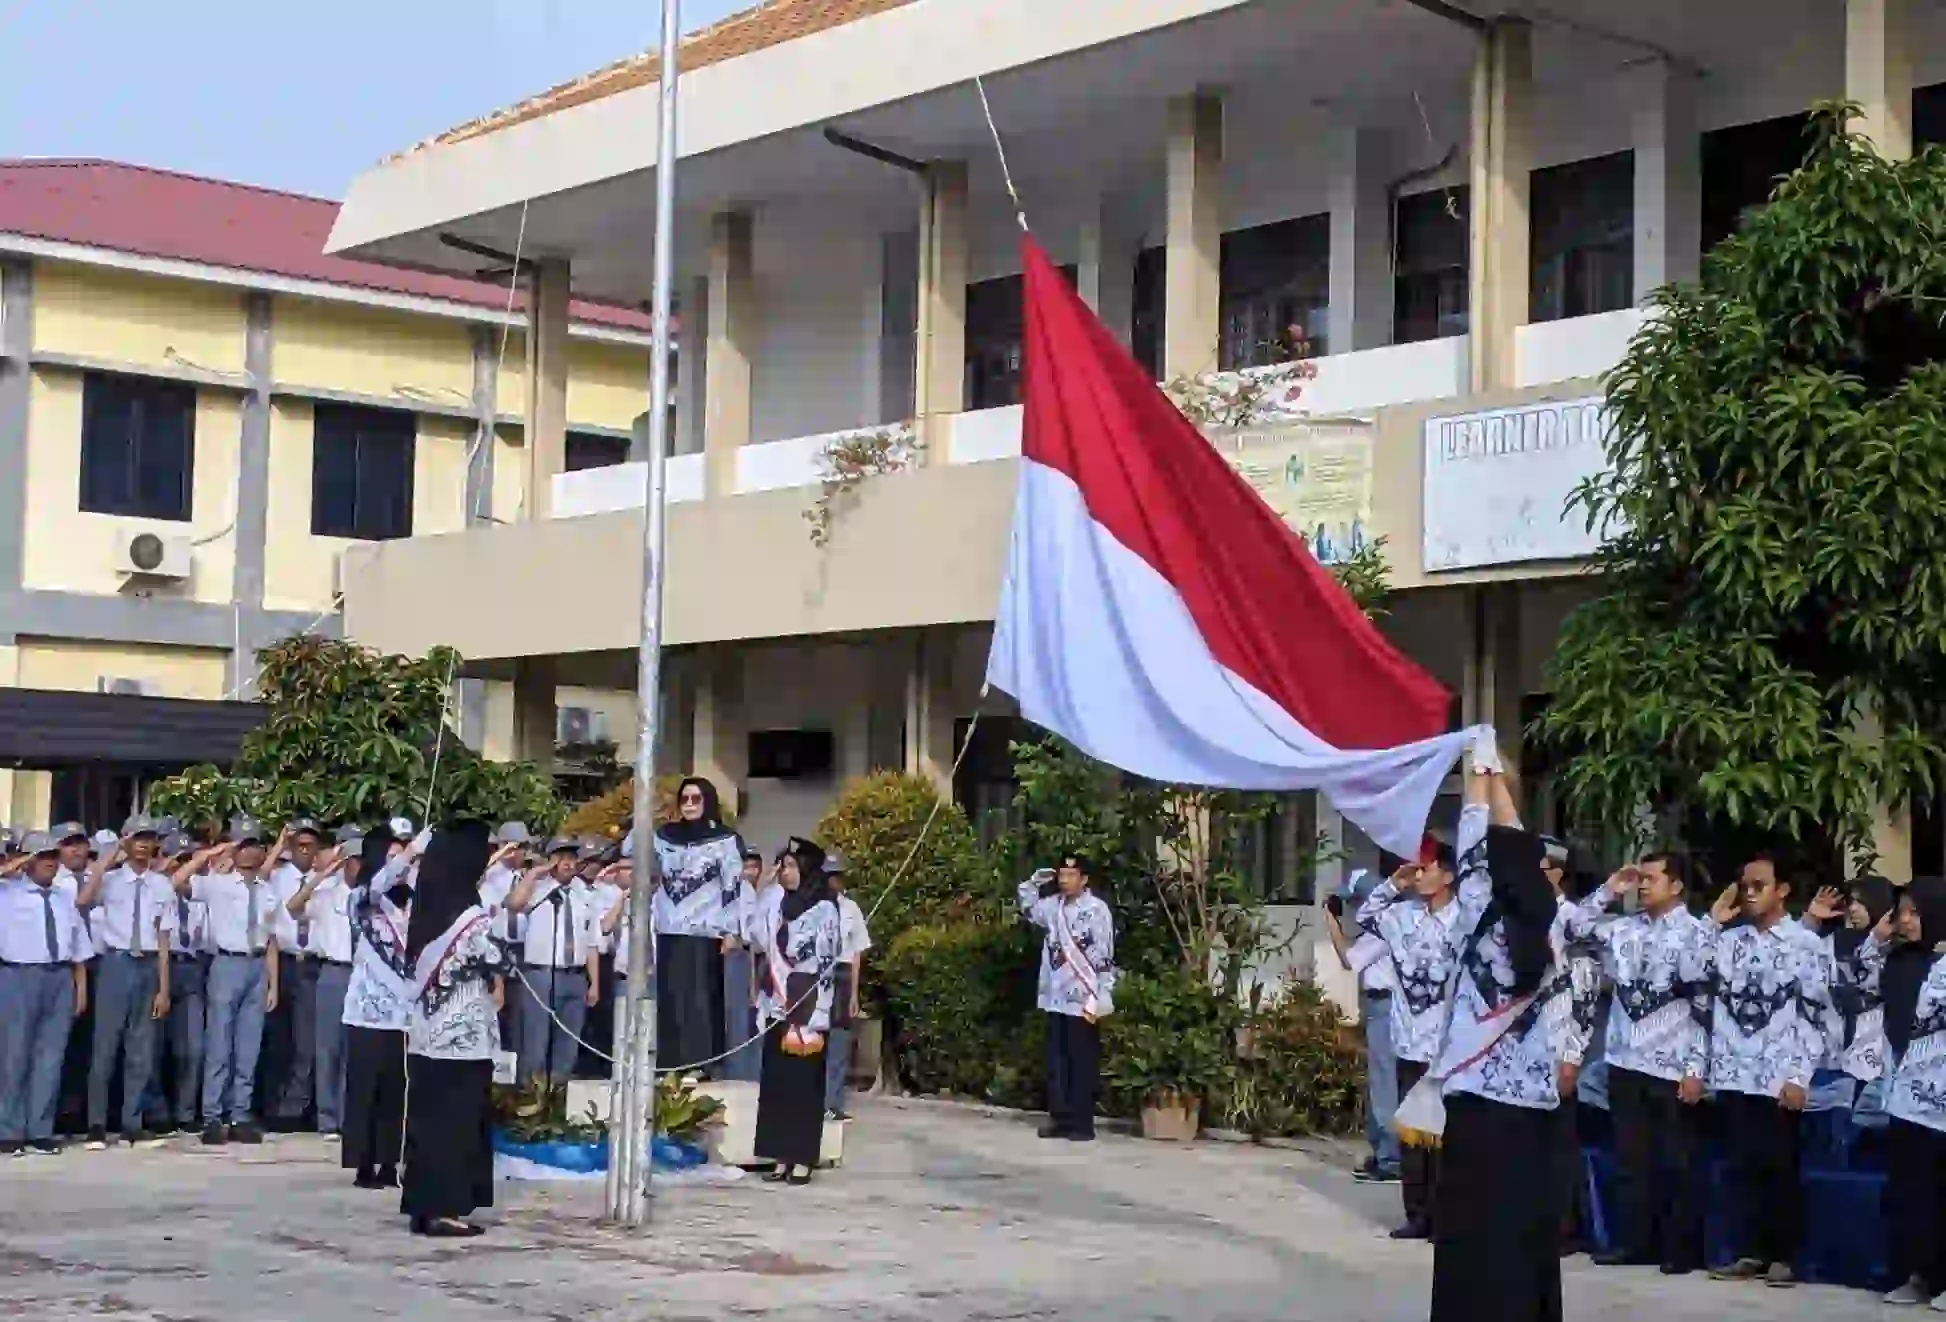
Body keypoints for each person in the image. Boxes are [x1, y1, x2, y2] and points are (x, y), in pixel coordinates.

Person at [1423, 748, 1567, 1322]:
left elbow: (1478, 846)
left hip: (1478, 1100)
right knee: (1523, 1230)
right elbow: (1516, 852)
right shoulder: (1546, 924)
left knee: (1473, 1231)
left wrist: (1478, 782)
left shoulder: (1475, 915)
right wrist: (1499, 782)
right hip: (1532, 1106)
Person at [1561, 851, 1712, 1275]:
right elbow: (1575, 928)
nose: (1643, 885)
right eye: (1640, 879)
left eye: (1651, 878)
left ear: (1677, 885)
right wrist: (1611, 889)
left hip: (1671, 1063)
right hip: (1625, 1060)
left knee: (1675, 1161)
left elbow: (1705, 1008)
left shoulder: (1697, 935)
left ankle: (1680, 1249)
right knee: (1631, 1160)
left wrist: (1696, 1068)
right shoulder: (1623, 930)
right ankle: (1634, 1243)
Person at [1702, 855, 1828, 1287]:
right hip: (1735, 1072)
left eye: (1759, 884)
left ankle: (1784, 1256)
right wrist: (1711, 924)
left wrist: (1800, 1075)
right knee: (1742, 1166)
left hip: (1778, 1074)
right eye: (1744, 884)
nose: (1749, 891)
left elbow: (1816, 1015)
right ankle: (1749, 1251)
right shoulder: (1728, 941)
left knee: (1780, 1168)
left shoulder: (1805, 944)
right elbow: (1686, 976)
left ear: (1783, 890)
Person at [401, 821, 510, 1238]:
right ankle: (446, 1208)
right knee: (457, 1123)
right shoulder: (471, 916)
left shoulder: (427, 909)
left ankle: (423, 1204)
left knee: (428, 1122)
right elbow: (498, 959)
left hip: (428, 1034)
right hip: (463, 1039)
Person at [1354, 836, 1465, 1239]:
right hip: (1408, 1040)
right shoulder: (1401, 916)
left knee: (1446, 1137)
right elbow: (1366, 916)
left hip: (1450, 1046)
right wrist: (1394, 884)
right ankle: (1417, 1215)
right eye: (1415, 868)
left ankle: (1448, 1217)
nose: (1419, 875)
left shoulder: (1465, 919)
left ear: (1448, 874)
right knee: (1412, 1137)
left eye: (1427, 867)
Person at [1864, 879, 1946, 1306]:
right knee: (1913, 1193)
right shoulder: (1899, 960)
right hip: (1909, 1095)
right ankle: (1919, 1276)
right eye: (1902, 912)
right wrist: (1876, 939)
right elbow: (1856, 986)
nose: (1906, 921)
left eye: (1915, 913)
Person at [173, 819, 281, 1146]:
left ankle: (240, 1114)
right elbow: (177, 882)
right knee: (219, 1042)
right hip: (227, 963)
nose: (249, 851)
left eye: (254, 844)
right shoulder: (218, 883)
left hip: (257, 965)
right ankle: (212, 1116)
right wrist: (211, 853)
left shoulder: (267, 889)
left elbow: (271, 938)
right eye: (242, 844)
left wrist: (273, 983)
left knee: (248, 1046)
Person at [75, 814, 177, 1149]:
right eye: (137, 838)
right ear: (126, 841)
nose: (144, 844)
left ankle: (132, 1122)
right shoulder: (110, 879)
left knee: (140, 1049)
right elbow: (83, 900)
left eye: (149, 838)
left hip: (147, 964)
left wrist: (163, 988)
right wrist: (109, 857)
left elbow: (164, 940)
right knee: (105, 1047)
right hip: (116, 963)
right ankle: (97, 1123)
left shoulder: (161, 884)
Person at [753, 836, 841, 1185]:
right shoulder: (777, 904)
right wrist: (769, 888)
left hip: (808, 1010)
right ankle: (778, 1155)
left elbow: (822, 956)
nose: (785, 873)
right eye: (784, 866)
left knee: (804, 1086)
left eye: (790, 866)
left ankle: (802, 1157)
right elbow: (757, 937)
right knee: (778, 1084)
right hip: (779, 1006)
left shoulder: (825, 908)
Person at [0, 832, 92, 1155]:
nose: (49, 862)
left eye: (53, 855)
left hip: (59, 978)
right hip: (18, 975)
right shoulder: (7, 894)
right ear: (27, 860)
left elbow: (78, 948)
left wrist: (80, 989)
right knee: (14, 1057)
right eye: (42, 856)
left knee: (50, 1058)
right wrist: (20, 862)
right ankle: (9, 1130)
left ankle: (40, 1130)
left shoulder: (64, 897)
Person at [1018, 853, 1116, 1142]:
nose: (1064, 880)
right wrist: (1034, 882)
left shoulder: (1097, 910)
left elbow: (1105, 953)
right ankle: (1059, 1118)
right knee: (1056, 1061)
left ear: (1083, 880)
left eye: (1071, 875)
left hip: (1083, 995)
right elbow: (1027, 908)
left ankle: (1082, 1122)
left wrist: (1103, 991)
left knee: (1081, 1060)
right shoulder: (1052, 907)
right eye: (1061, 875)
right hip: (1054, 995)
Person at [1538, 835, 1603, 1254]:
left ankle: (1566, 1228)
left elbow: (1584, 996)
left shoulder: (1573, 920)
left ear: (1558, 873)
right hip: (1528, 1051)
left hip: (1561, 1047)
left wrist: (1572, 1056)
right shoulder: (1527, 917)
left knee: (1561, 1145)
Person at [653, 777, 744, 1074]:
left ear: (708, 801)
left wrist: (731, 930)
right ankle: (671, 1063)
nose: (689, 805)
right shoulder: (664, 835)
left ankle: (701, 1064)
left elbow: (732, 886)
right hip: (668, 928)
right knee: (670, 997)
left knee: (700, 999)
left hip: (704, 931)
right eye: (684, 799)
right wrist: (647, 817)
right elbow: (632, 853)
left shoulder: (725, 839)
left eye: (696, 799)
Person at [343, 828, 415, 1190]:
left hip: (403, 1014)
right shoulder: (361, 898)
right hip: (367, 1011)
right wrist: (408, 852)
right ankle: (362, 1163)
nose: (399, 867)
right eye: (391, 857)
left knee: (396, 1092)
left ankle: (391, 1160)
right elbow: (378, 884)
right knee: (365, 1090)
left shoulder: (413, 904)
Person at [1323, 868, 1401, 1185]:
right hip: (1382, 1005)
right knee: (1383, 1080)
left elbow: (1349, 959)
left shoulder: (1383, 928)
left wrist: (1332, 922)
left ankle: (1390, 1159)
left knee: (1384, 1083)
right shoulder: (1389, 922)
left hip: (1385, 1006)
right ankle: (1384, 1152)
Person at [505, 836, 601, 1087]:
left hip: (576, 974)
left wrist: (594, 983)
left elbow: (591, 941)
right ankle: (530, 1095)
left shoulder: (585, 893)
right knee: (535, 1041)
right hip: (541, 973)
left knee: (568, 1043)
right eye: (562, 858)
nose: (568, 863)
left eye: (572, 858)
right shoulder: (538, 888)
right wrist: (537, 872)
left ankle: (558, 1096)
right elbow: (514, 905)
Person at [286, 826, 361, 1137]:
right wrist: (322, 875)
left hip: (362, 975)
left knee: (353, 1049)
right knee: (327, 1047)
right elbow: (293, 908)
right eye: (354, 860)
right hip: (332, 972)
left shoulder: (371, 896)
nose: (359, 866)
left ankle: (349, 1117)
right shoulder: (327, 894)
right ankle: (328, 1118)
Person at [1805, 876, 1894, 1119]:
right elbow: (1792, 960)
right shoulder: (1831, 942)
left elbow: (1863, 978)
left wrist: (1874, 942)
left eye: (1861, 903)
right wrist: (1809, 922)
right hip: (1828, 1062)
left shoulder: (1894, 948)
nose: (1852, 908)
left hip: (1873, 1063)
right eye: (1851, 902)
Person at [145, 831, 210, 1136]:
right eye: (177, 860)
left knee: (192, 1047)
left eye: (188, 860)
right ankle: (157, 1111)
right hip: (160, 965)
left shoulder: (199, 894)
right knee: (153, 1045)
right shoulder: (156, 887)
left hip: (192, 968)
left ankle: (185, 1111)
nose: (183, 867)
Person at [264, 819, 324, 1130]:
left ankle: (295, 1109)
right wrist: (277, 846)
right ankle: (272, 1105)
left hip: (310, 962)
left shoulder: (326, 879)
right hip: (280, 960)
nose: (304, 851)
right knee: (277, 1040)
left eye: (310, 845)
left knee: (306, 1042)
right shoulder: (276, 876)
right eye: (299, 845)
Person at [824, 852, 872, 1120]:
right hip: (816, 975)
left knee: (839, 1041)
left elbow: (856, 953)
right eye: (829, 876)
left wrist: (854, 994)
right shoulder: (812, 906)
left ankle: (834, 1103)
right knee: (813, 1040)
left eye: (837, 876)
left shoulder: (851, 909)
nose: (833, 882)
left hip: (842, 975)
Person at [478, 821, 533, 1052]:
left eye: (522, 847)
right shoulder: (489, 876)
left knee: (520, 1018)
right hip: (494, 951)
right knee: (495, 1014)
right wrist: (499, 853)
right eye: (515, 846)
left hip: (522, 952)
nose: (519, 852)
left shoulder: (526, 878)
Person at [719, 847, 767, 1083]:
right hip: (705, 952)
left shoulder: (743, 889)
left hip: (734, 954)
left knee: (736, 1018)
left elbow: (747, 934)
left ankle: (737, 1074)